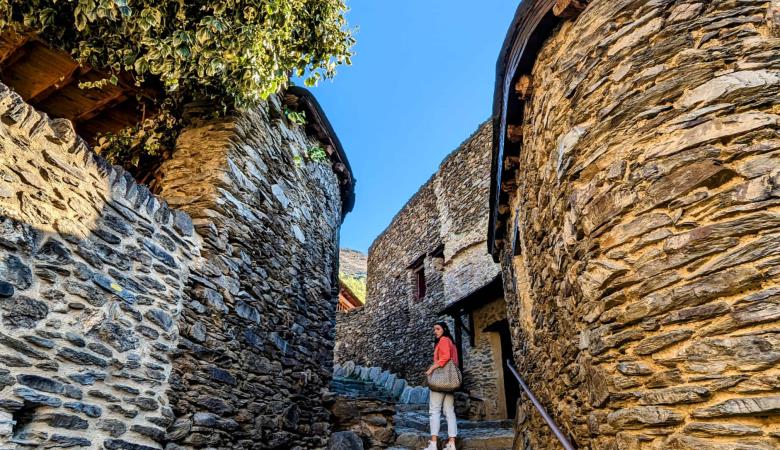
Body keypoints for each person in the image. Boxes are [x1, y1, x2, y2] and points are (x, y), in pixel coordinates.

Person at [423, 321, 458, 450]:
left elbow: (445, 358)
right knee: (449, 411)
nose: (435, 331)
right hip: (450, 381)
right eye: (434, 329)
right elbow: (454, 361)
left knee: (434, 410)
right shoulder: (452, 343)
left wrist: (431, 369)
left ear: (444, 329)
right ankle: (451, 443)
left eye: (437, 329)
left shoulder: (443, 340)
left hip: (440, 380)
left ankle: (433, 443)